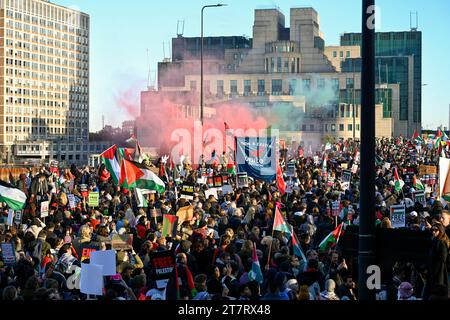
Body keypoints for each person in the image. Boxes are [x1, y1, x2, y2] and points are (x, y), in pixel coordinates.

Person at [425, 223, 449, 299]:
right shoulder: (434, 240)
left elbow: (443, 258)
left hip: (439, 272)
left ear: (440, 231)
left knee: (437, 292)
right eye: (432, 230)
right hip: (433, 271)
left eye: (436, 230)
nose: (433, 232)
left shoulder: (441, 242)